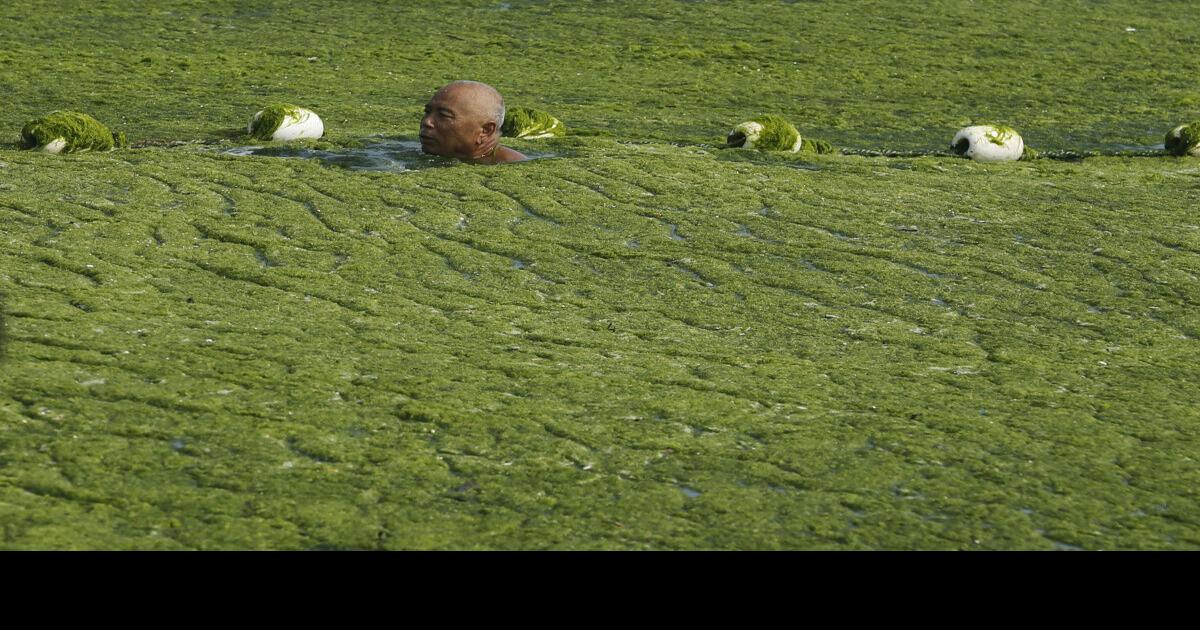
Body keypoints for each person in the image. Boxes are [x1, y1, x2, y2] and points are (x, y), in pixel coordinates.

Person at [419, 81, 526, 164]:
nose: (426, 122)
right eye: (427, 112)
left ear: (485, 131)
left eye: (444, 115)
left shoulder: (513, 168)